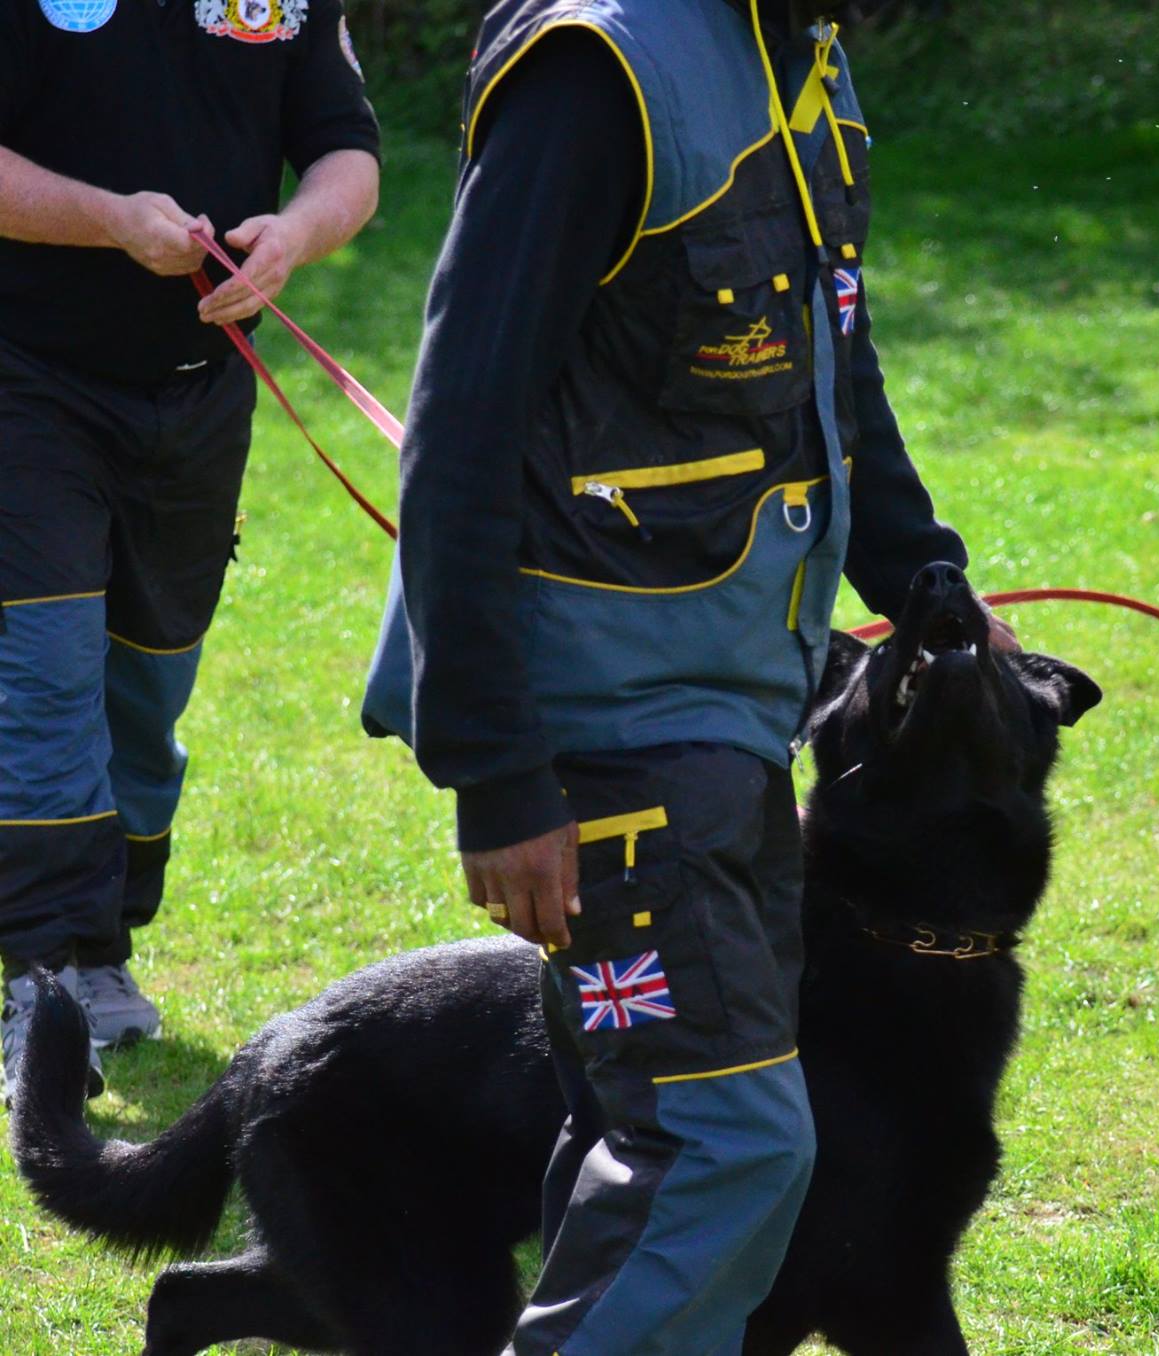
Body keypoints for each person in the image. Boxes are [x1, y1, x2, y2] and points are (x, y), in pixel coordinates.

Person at [358, 1, 1013, 1350]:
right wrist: (496, 769)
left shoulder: (804, 55)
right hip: (607, 727)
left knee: (648, 1126)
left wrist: (922, 576)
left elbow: (834, 348)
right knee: (726, 1149)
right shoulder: (601, 73)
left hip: (729, 706)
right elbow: (461, 421)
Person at [0, 0, 380, 1105]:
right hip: (28, 379)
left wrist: (297, 235)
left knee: (146, 688)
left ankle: (104, 936)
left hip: (200, 395)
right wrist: (110, 219)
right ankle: (43, 975)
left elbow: (345, 151)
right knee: (43, 667)